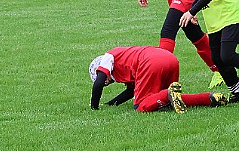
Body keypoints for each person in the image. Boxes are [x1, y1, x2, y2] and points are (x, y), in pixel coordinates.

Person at [90, 46, 228, 113]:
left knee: (141, 106)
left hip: (150, 62)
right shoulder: (123, 62)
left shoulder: (108, 57)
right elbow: (130, 91)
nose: (105, 82)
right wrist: (110, 104)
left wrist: (94, 108)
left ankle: (167, 93)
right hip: (169, 58)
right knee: (170, 100)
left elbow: (98, 84)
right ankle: (209, 98)